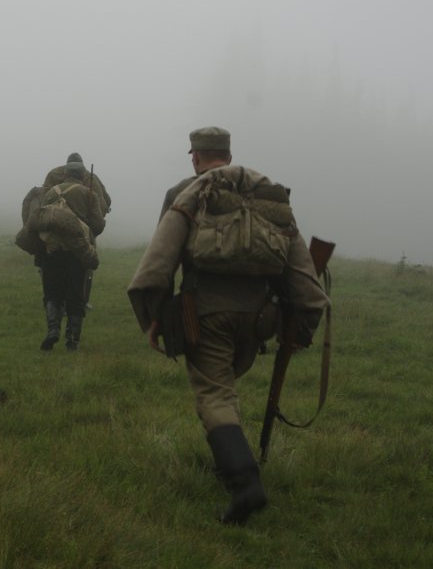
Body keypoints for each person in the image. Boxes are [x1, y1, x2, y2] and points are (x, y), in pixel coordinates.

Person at [127, 127, 329, 525]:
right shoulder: (265, 193)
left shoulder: (186, 191)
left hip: (207, 313)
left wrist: (153, 316)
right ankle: (229, 460)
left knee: (214, 394)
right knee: (226, 389)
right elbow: (300, 267)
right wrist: (304, 323)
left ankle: (244, 482)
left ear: (195, 156)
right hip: (260, 319)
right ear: (229, 155)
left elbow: (161, 256)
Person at [35, 160, 106, 351]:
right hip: (77, 252)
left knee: (52, 292)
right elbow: (98, 224)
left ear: (65, 174)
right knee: (76, 294)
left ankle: (53, 330)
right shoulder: (88, 194)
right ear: (83, 176)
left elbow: (40, 217)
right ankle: (72, 339)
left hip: (52, 250)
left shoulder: (51, 192)